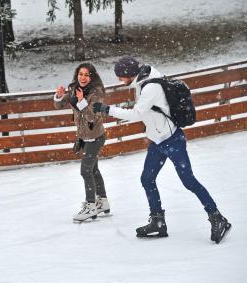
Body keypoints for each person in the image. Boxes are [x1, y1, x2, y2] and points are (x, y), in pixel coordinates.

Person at [93, 56, 231, 243]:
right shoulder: (142, 83)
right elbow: (148, 112)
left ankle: (217, 217)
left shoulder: (150, 87)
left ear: (128, 74)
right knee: (147, 179)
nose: (120, 80)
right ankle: (157, 221)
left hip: (173, 140)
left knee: (189, 181)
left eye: (120, 76)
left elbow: (136, 114)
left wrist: (106, 109)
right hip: (158, 141)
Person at [54, 63, 110, 222]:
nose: (83, 78)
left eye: (86, 75)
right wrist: (58, 95)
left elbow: (92, 116)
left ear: (92, 77)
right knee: (93, 170)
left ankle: (91, 206)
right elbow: (59, 104)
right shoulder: (75, 88)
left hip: (96, 137)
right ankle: (103, 202)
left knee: (86, 171)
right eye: (80, 74)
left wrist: (81, 101)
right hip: (83, 136)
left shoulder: (97, 92)